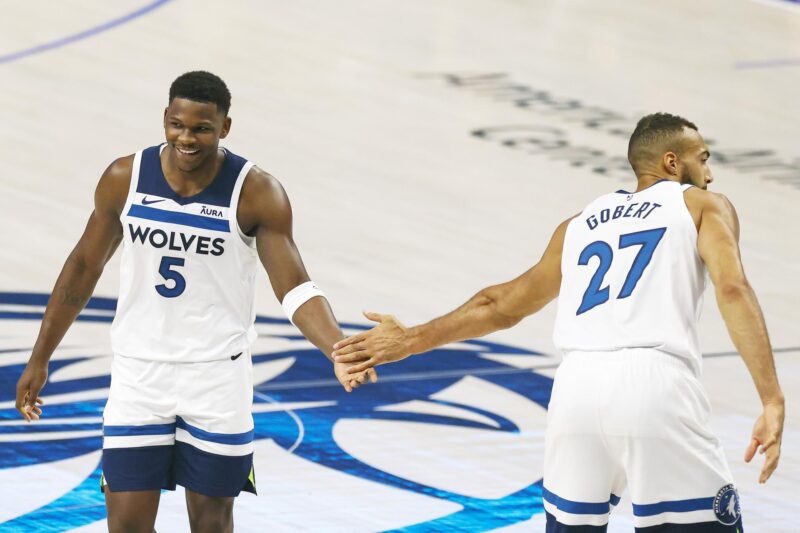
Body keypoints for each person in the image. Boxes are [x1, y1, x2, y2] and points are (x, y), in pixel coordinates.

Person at [332, 113, 784, 531]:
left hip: (575, 392)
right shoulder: (702, 205)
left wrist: (410, 339)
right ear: (672, 162)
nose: (709, 173)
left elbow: (500, 305)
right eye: (702, 160)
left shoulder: (580, 224)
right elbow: (732, 289)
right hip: (656, 384)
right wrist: (770, 398)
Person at [15, 70, 376, 533]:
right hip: (139, 376)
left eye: (202, 128)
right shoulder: (126, 177)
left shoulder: (257, 192)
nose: (187, 138)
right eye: (177, 125)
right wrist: (40, 356)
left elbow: (295, 287)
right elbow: (83, 268)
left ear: (224, 127)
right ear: (165, 119)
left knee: (211, 523)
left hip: (216, 379)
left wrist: (337, 348)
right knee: (124, 526)